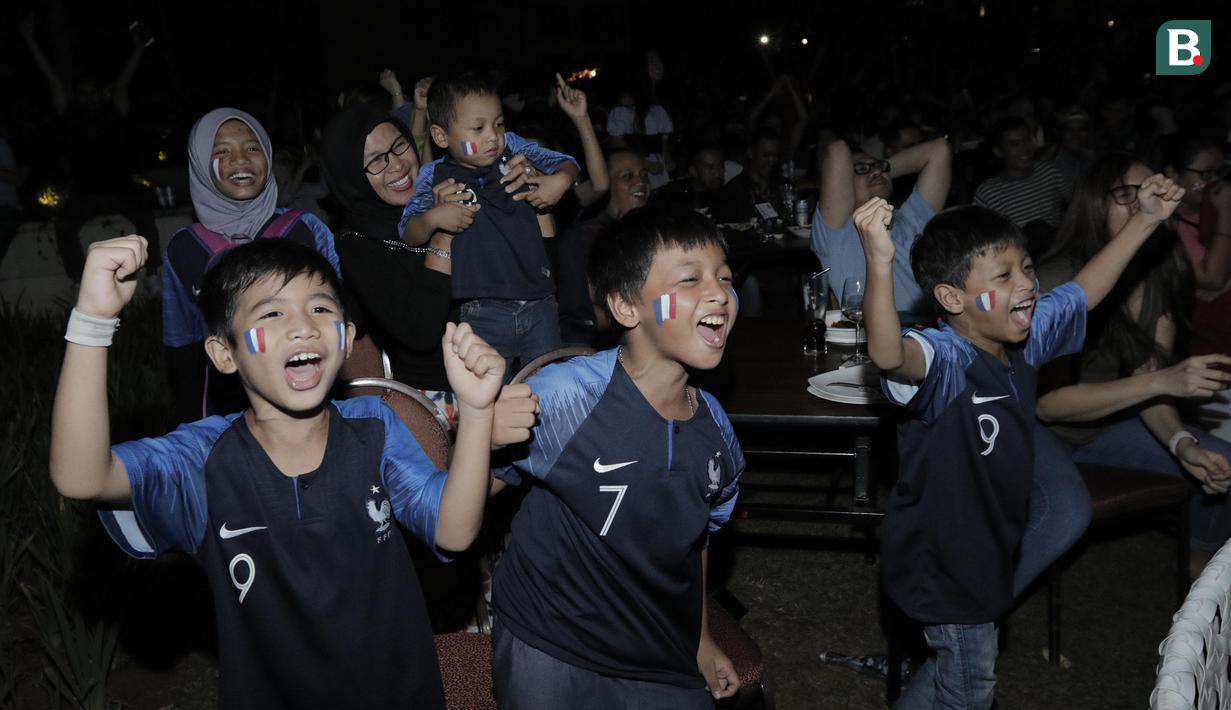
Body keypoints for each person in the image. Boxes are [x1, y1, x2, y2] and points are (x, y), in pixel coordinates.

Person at [49, 236, 507, 708]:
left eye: (320, 309)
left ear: (347, 337)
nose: (303, 327)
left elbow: (453, 531)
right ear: (224, 354)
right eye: (272, 313)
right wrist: (92, 322)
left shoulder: (376, 429)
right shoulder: (202, 459)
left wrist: (476, 412)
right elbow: (81, 477)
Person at [854, 169, 1184, 708]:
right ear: (952, 300)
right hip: (945, 562)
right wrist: (878, 261)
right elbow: (890, 354)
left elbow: (1083, 293)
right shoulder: (946, 358)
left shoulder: (1022, 338)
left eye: (1027, 268)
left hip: (986, 548)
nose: (1027, 284)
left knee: (948, 676)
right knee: (970, 688)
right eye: (1004, 276)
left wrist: (1146, 220)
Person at [490, 205, 743, 707]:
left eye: (726, 278)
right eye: (689, 279)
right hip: (551, 642)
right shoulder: (566, 399)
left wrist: (701, 637)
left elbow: (699, 536)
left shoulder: (718, 434)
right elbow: (464, 499)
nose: (719, 293)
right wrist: (483, 437)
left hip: (660, 654)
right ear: (627, 308)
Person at [1038, 153, 1231, 572]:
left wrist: (1182, 444)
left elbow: (1151, 378)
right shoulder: (1063, 279)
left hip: (1101, 431)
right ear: (1094, 203)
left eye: (1154, 190)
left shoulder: (1158, 273)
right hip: (1034, 435)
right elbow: (1048, 405)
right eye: (1128, 194)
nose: (1146, 201)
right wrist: (1163, 381)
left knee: (1218, 459)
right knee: (1064, 511)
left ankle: (1202, 578)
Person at [162, 108, 340, 423]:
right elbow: (182, 342)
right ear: (203, 163)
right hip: (222, 415)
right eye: (222, 151)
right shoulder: (184, 247)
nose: (241, 160)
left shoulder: (304, 229)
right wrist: (193, 425)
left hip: (309, 398)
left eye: (252, 148)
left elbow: (341, 315)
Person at [399, 72, 580, 373]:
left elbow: (567, 163)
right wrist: (434, 218)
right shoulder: (433, 176)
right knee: (491, 399)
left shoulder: (513, 148)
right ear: (442, 136)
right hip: (482, 312)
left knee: (549, 389)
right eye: (477, 128)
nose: (492, 137)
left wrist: (559, 181)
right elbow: (408, 232)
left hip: (540, 303)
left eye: (498, 124)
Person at [320, 100, 455, 395]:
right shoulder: (358, 246)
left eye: (399, 146)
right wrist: (442, 236)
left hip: (504, 365)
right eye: (376, 160)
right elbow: (421, 331)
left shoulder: (443, 196)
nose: (396, 164)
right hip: (436, 397)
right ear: (352, 175)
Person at [20, 15, 161, 281]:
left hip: (120, 190)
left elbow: (123, 83)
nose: (88, 98)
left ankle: (154, 274)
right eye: (82, 93)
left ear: (101, 94)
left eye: (93, 92)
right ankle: (80, 281)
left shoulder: (115, 111)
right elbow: (52, 80)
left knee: (145, 217)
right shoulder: (69, 115)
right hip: (85, 195)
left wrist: (138, 49)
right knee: (64, 226)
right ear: (77, 96)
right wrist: (30, 40)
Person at [812, 137, 951, 315]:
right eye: (860, 168)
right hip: (887, 335)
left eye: (880, 166)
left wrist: (878, 172)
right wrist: (875, 172)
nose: (877, 171)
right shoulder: (838, 231)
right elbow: (837, 150)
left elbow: (940, 149)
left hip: (935, 329)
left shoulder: (910, 217)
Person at [1161, 133, 1231, 445]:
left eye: (1218, 172)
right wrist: (1227, 211)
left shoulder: (1209, 208)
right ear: (1172, 174)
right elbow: (1214, 279)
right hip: (1201, 350)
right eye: (1204, 174)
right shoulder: (1162, 223)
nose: (1213, 182)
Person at [557, 149, 650, 345]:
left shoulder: (654, 230)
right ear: (608, 184)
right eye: (627, 176)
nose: (640, 181)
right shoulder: (588, 235)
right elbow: (591, 310)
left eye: (644, 175)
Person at [973, 116, 1070, 254]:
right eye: (1015, 144)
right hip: (1019, 255)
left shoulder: (1049, 172)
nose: (1025, 149)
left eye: (1027, 140)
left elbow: (1077, 205)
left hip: (1057, 248)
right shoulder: (988, 192)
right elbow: (982, 238)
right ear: (999, 152)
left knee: (1039, 229)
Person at [651, 142, 726, 216]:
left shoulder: (725, 197)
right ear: (693, 171)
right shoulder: (672, 197)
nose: (717, 173)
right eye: (710, 167)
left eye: (720, 166)